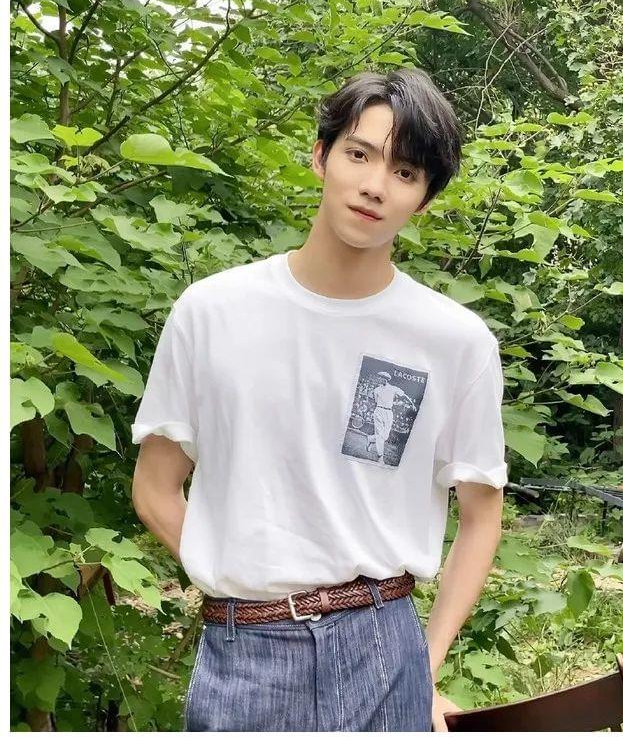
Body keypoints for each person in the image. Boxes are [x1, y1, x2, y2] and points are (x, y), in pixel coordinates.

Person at [131, 67, 507, 732]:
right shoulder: (213, 311)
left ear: (424, 200)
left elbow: (481, 515)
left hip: (385, 642)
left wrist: (422, 664)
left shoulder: (454, 340)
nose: (375, 185)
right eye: (359, 154)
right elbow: (156, 488)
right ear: (320, 156)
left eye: (405, 172)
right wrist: (239, 571)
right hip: (244, 651)